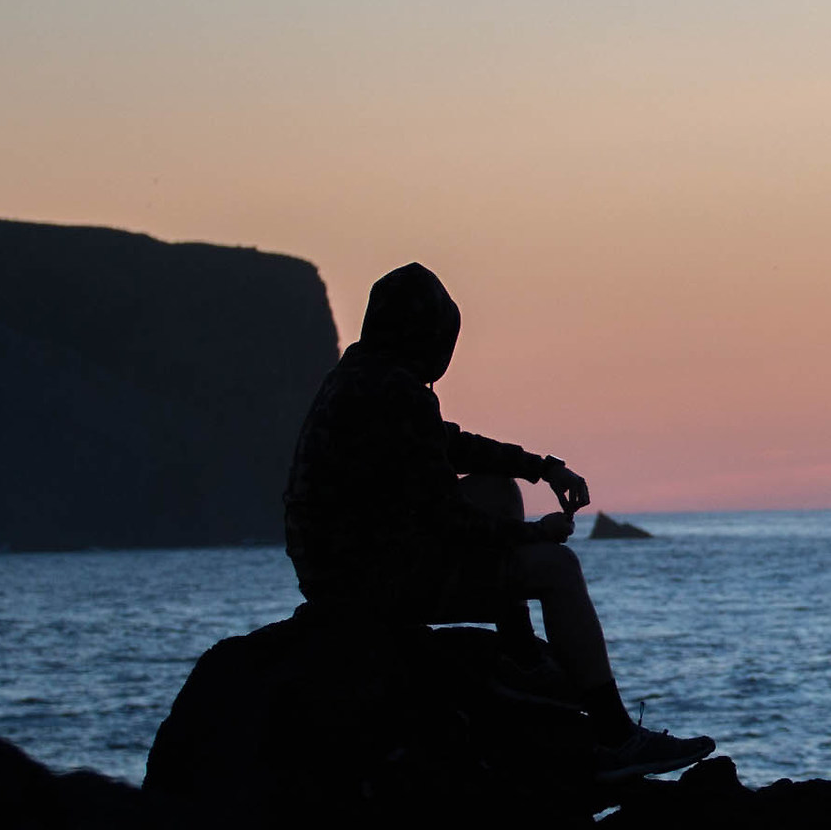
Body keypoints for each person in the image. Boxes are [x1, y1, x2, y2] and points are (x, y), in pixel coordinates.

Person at [283, 262, 711, 781]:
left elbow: (448, 444)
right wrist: (534, 535)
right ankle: (614, 736)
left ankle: (517, 656)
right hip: (371, 583)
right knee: (557, 569)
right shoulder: (392, 393)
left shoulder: (360, 381)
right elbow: (448, 521)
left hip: (342, 571)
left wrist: (540, 467)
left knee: (494, 485)